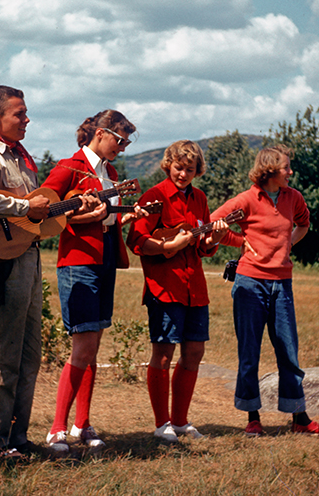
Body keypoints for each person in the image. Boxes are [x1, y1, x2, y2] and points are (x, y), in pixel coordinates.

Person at [0, 85, 93, 459]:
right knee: (0, 354)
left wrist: (69, 207)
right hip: (2, 265)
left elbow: (35, 215)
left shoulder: (20, 158)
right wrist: (22, 207)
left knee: (28, 355)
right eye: (19, 113)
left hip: (27, 259)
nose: (27, 119)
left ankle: (16, 437)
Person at [41, 109, 147, 453]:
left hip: (105, 259)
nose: (122, 148)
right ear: (100, 133)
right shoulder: (68, 167)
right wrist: (80, 215)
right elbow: (43, 210)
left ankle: (82, 424)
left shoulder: (110, 173)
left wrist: (124, 216)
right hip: (78, 262)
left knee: (93, 346)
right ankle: (56, 429)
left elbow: (105, 217)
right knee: (83, 347)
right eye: (120, 140)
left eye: (126, 143)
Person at [211, 145, 319, 438]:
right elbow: (212, 225)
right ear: (269, 170)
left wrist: (288, 242)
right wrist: (239, 241)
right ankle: (252, 418)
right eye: (285, 167)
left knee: (289, 352)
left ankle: (300, 418)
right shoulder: (246, 199)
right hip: (249, 283)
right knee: (249, 353)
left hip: (282, 283)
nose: (290, 172)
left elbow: (304, 224)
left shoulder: (294, 198)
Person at [126, 140, 228, 442]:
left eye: (190, 169)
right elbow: (137, 241)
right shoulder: (154, 197)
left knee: (194, 351)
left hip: (194, 287)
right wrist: (170, 245)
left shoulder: (200, 198)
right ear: (168, 164)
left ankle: (181, 421)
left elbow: (204, 247)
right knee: (163, 354)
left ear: (198, 171)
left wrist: (215, 238)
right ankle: (162, 424)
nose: (183, 174)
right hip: (165, 287)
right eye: (179, 167)